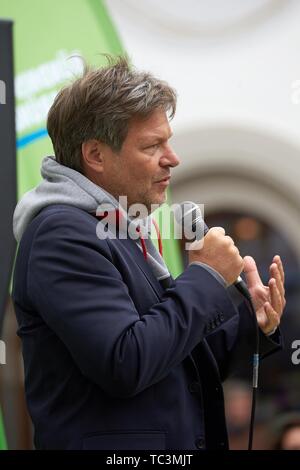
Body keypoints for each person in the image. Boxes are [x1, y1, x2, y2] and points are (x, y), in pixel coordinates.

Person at [12, 56, 286, 450]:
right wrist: (206, 275)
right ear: (95, 155)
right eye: (152, 145)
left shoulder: (122, 227)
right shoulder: (62, 234)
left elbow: (176, 357)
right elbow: (127, 362)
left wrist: (252, 323)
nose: (172, 158)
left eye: (168, 141)